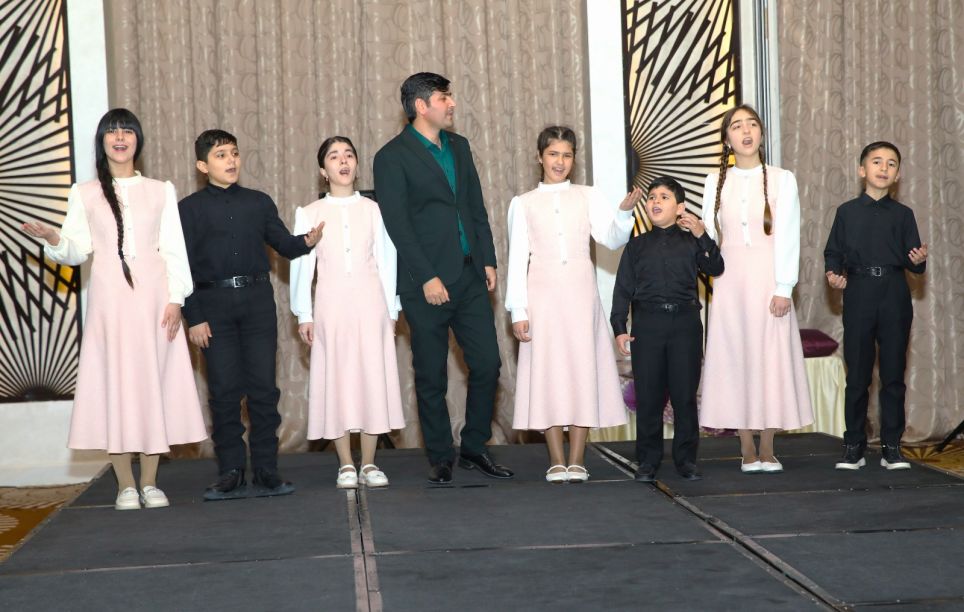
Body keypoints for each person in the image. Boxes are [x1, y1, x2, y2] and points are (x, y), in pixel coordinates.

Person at [20, 108, 207, 510]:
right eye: (112, 131)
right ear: (102, 141)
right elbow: (75, 251)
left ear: (138, 140)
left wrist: (176, 299)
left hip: (156, 303)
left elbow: (174, 250)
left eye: (127, 131)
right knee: (116, 389)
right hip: (111, 306)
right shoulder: (85, 192)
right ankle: (125, 485)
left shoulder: (160, 190)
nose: (120, 137)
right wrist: (53, 237)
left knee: (153, 388)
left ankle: (151, 482)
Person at [373, 72, 511, 484]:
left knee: (487, 363)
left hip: (469, 275)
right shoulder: (391, 157)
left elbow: (475, 207)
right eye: (443, 97)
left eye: (450, 96)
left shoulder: (460, 146)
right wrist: (427, 276)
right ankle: (439, 455)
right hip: (426, 283)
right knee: (431, 374)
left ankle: (474, 446)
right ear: (421, 106)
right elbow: (398, 225)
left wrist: (487, 259)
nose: (451, 104)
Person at [179, 129, 324, 500]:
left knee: (263, 391)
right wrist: (194, 317)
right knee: (224, 392)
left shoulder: (258, 202)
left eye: (234, 153)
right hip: (212, 306)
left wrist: (305, 242)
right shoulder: (188, 209)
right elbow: (181, 268)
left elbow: (284, 244)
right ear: (202, 166)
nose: (231, 160)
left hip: (257, 303)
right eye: (221, 155)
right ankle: (230, 471)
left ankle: (266, 470)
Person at [505, 126, 641, 483]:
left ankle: (578, 458)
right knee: (547, 375)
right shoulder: (523, 203)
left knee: (583, 372)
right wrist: (518, 310)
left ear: (574, 159)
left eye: (567, 155)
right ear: (540, 157)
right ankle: (555, 459)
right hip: (542, 298)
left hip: (581, 296)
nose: (560, 162)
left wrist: (623, 214)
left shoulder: (588, 196)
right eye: (553, 154)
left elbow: (612, 239)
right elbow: (517, 260)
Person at [699, 105, 813, 473]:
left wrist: (784, 286)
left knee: (770, 360)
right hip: (729, 283)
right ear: (726, 138)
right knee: (736, 359)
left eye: (752, 125)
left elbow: (789, 235)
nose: (745, 131)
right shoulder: (713, 182)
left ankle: (768, 445)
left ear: (761, 134)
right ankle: (746, 446)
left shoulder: (782, 179)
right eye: (737, 126)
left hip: (769, 280)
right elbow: (708, 237)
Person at [290, 136, 405, 488]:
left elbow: (387, 261)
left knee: (373, 378)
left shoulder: (374, 210)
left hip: (371, 304)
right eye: (334, 157)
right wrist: (304, 314)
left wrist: (392, 309)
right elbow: (301, 267)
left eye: (349, 155)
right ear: (323, 170)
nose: (343, 161)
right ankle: (345, 464)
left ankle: (369, 463)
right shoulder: (309, 213)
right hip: (331, 306)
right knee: (336, 381)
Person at [611, 176, 724, 483]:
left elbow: (716, 268)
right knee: (648, 396)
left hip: (685, 325)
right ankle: (647, 460)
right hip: (647, 325)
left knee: (684, 396)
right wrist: (620, 327)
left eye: (664, 197)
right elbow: (622, 289)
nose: (656, 202)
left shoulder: (693, 241)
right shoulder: (636, 246)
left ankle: (686, 460)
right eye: (652, 197)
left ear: (680, 207)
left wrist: (702, 235)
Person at [824, 141, 927, 471]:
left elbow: (916, 263)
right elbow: (833, 253)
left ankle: (892, 447)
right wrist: (833, 274)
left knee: (894, 375)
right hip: (859, 292)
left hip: (895, 293)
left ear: (898, 174)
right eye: (877, 161)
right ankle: (853, 445)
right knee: (858, 375)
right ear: (861, 169)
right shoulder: (846, 212)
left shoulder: (904, 214)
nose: (884, 168)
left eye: (891, 163)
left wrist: (919, 260)